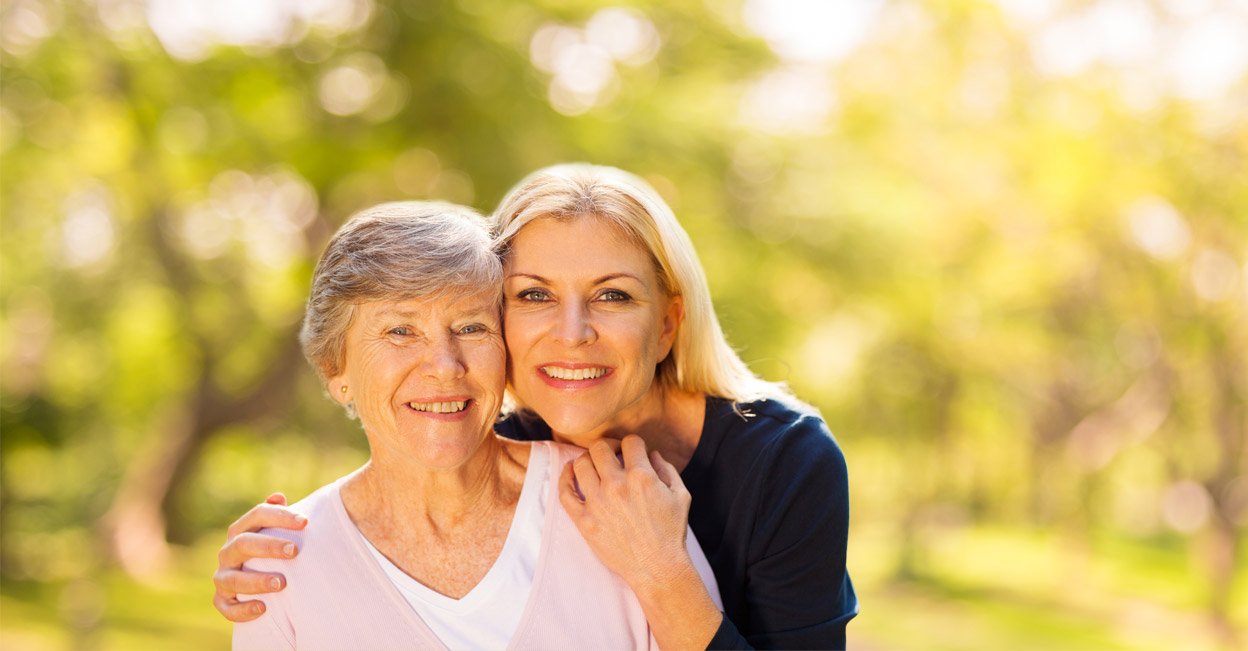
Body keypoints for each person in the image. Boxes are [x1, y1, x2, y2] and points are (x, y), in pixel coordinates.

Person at [215, 164, 858, 649]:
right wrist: (289, 549)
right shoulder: (500, 428)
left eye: (612, 296)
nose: (571, 332)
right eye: (532, 295)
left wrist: (660, 570)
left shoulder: (785, 459)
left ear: (668, 323)